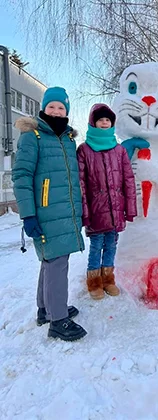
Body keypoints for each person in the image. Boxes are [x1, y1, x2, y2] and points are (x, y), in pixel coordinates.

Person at [12, 87, 87, 341]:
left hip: (64, 210)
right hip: (45, 212)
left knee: (50, 260)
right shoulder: (33, 136)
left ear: (67, 111)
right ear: (43, 108)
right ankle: (58, 321)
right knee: (57, 263)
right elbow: (22, 176)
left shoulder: (67, 139)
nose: (56, 111)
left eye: (61, 108)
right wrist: (28, 215)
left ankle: (46, 309)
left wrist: (79, 211)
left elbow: (72, 179)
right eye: (52, 106)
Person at [77, 104, 137, 299]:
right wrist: (84, 211)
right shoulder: (84, 150)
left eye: (108, 120)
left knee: (111, 244)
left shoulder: (118, 150)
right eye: (100, 119)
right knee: (96, 246)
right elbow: (80, 183)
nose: (104, 122)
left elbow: (128, 180)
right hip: (96, 210)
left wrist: (130, 208)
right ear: (93, 122)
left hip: (116, 208)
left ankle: (108, 279)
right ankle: (94, 282)